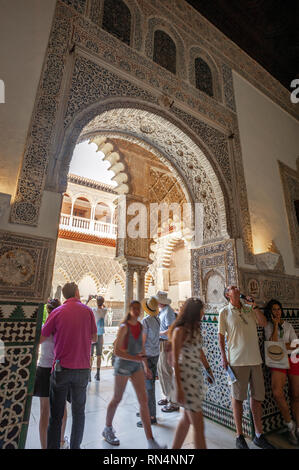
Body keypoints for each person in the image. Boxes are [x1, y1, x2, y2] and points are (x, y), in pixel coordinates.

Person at [41, 282, 97, 449]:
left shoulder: (57, 312)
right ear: (77, 292)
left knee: (56, 416)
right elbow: (94, 338)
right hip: (82, 370)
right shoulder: (88, 311)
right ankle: (75, 447)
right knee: (78, 414)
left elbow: (43, 337)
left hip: (61, 369)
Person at [102, 300, 166, 449]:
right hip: (123, 366)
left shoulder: (140, 326)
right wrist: (135, 358)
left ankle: (150, 441)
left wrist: (145, 366)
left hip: (136, 366)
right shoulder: (124, 327)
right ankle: (108, 428)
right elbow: (117, 352)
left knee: (143, 401)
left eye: (139, 309)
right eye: (134, 308)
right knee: (117, 398)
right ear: (130, 309)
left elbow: (141, 347)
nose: (137, 311)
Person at [218, 285, 275, 449]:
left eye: (236, 287)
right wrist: (223, 358)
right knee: (237, 399)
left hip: (255, 360)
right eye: (232, 288)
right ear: (228, 295)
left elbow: (263, 323)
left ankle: (258, 435)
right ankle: (239, 436)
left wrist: (254, 305)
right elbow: (221, 337)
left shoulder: (250, 309)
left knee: (256, 399)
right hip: (236, 361)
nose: (236, 288)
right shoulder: (224, 312)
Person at [170, 297, 213, 449]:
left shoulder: (195, 329)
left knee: (186, 421)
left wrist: (208, 369)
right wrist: (179, 388)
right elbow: (175, 361)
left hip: (195, 379)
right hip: (186, 381)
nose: (203, 313)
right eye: (201, 310)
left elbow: (199, 350)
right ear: (194, 312)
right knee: (199, 426)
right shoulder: (179, 331)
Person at [34, 299, 69, 449]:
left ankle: (44, 447)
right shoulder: (63, 330)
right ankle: (60, 442)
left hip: (43, 369)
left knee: (44, 412)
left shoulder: (43, 328)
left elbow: (36, 345)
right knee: (62, 410)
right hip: (59, 370)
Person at [264, 299, 299, 445]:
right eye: (274, 309)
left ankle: (298, 429)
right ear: (270, 312)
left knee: (296, 395)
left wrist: (280, 346)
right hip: (277, 360)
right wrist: (276, 325)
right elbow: (271, 344)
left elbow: (296, 345)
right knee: (277, 392)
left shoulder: (289, 326)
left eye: (278, 309)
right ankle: (289, 425)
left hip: (293, 358)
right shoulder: (268, 326)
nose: (277, 312)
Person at [136, 296, 161, 428]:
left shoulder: (145, 321)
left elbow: (142, 343)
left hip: (148, 357)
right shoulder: (157, 320)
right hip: (155, 355)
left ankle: (151, 416)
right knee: (147, 386)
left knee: (148, 388)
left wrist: (145, 365)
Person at [156, 291, 179, 413]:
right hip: (160, 344)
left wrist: (157, 333)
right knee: (161, 371)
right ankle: (166, 396)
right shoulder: (162, 311)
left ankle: (173, 401)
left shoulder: (168, 311)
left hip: (165, 344)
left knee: (166, 371)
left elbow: (170, 330)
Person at [86, 295, 107, 381]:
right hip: (100, 336)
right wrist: (100, 301)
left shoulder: (93, 310)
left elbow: (84, 307)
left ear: (96, 302)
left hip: (93, 335)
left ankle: (89, 376)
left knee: (90, 356)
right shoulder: (105, 311)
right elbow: (104, 306)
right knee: (99, 356)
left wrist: (88, 300)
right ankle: (98, 374)